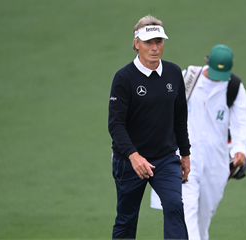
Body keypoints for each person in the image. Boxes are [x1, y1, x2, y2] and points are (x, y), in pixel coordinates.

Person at [151, 44, 246, 240]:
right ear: (207, 62)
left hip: (216, 162)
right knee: (186, 215)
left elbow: (244, 122)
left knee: (202, 220)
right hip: (184, 158)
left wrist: (241, 149)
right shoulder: (187, 79)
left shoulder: (233, 86)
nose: (218, 78)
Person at [108, 15, 191, 239]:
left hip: (165, 159)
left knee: (175, 207)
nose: (154, 48)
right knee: (126, 219)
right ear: (136, 44)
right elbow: (115, 124)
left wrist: (185, 154)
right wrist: (134, 156)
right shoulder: (124, 78)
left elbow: (180, 116)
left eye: (159, 42)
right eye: (148, 42)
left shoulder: (174, 73)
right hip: (129, 161)